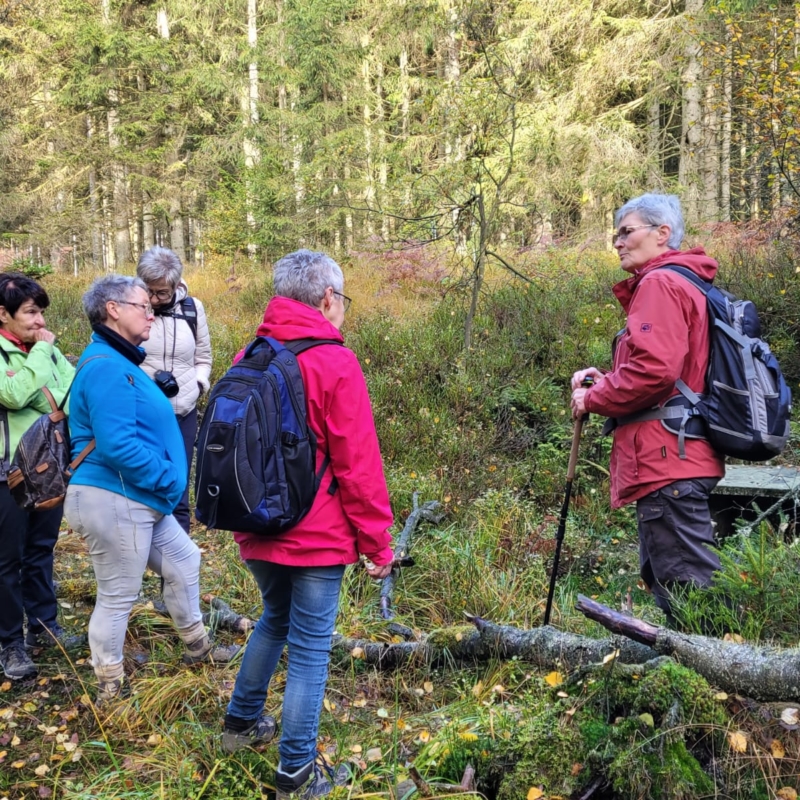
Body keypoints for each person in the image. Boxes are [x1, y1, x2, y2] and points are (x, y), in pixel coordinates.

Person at [220, 250, 394, 799]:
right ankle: (296, 773)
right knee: (312, 647)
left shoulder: (250, 352)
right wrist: (378, 544)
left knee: (274, 618)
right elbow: (358, 464)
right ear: (327, 300)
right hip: (315, 534)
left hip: (253, 524)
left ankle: (240, 725)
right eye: (342, 300)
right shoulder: (334, 361)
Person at [63, 275, 237, 702]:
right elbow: (117, 444)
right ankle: (110, 688)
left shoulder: (121, 362)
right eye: (144, 306)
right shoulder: (106, 366)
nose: (152, 314)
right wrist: (168, 479)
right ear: (113, 309)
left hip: (138, 498)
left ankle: (198, 646)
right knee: (118, 593)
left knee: (184, 560)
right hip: (116, 495)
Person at [570, 193, 725, 625]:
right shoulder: (685, 282)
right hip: (677, 455)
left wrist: (592, 398)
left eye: (627, 231)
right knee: (672, 578)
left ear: (662, 233)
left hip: (667, 459)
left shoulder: (660, 283)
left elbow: (654, 371)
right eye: (615, 233)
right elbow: (673, 375)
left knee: (687, 585)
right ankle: (700, 676)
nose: (618, 242)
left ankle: (721, 683)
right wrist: (605, 380)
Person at [0, 272, 79, 680]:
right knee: (7, 559)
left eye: (42, 313)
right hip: (6, 471)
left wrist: (36, 372)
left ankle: (44, 628)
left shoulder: (44, 349)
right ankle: (10, 644)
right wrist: (38, 364)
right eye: (31, 313)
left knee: (41, 549)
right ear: (3, 314)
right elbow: (11, 395)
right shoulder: (27, 352)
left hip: (46, 468)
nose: (40, 322)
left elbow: (69, 392)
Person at [136, 246, 212, 535]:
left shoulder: (193, 309)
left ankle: (177, 566)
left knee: (179, 487)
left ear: (176, 286)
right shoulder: (131, 309)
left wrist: (198, 385)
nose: (154, 299)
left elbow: (203, 357)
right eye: (149, 291)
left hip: (183, 412)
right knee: (145, 484)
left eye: (161, 293)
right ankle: (142, 550)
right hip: (143, 413)